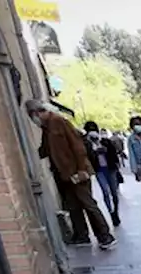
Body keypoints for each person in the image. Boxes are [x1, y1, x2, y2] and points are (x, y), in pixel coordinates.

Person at [25, 99, 116, 250]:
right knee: (73, 206)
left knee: (88, 204)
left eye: (32, 117)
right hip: (64, 173)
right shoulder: (47, 127)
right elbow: (46, 149)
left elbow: (77, 146)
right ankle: (81, 235)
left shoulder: (60, 122)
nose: (33, 121)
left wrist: (81, 170)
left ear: (36, 113)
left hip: (76, 171)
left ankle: (105, 236)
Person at [83, 121, 123, 227]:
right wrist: (93, 151)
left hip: (110, 169)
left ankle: (116, 211)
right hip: (99, 170)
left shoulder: (106, 141)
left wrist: (105, 150)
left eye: (94, 130)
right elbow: (87, 157)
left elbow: (113, 155)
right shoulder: (87, 144)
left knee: (114, 193)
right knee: (105, 192)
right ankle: (110, 212)